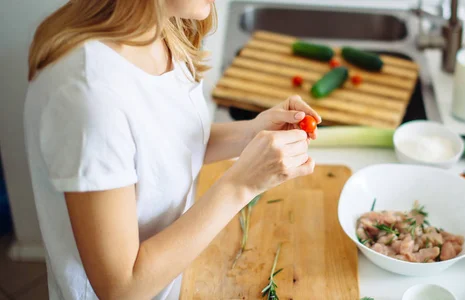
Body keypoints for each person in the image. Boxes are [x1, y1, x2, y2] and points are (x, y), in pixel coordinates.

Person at [23, 0, 320, 299]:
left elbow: (162, 145)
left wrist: (252, 133)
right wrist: (241, 185)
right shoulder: (87, 95)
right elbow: (122, 287)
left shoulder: (165, 27)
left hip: (174, 281)